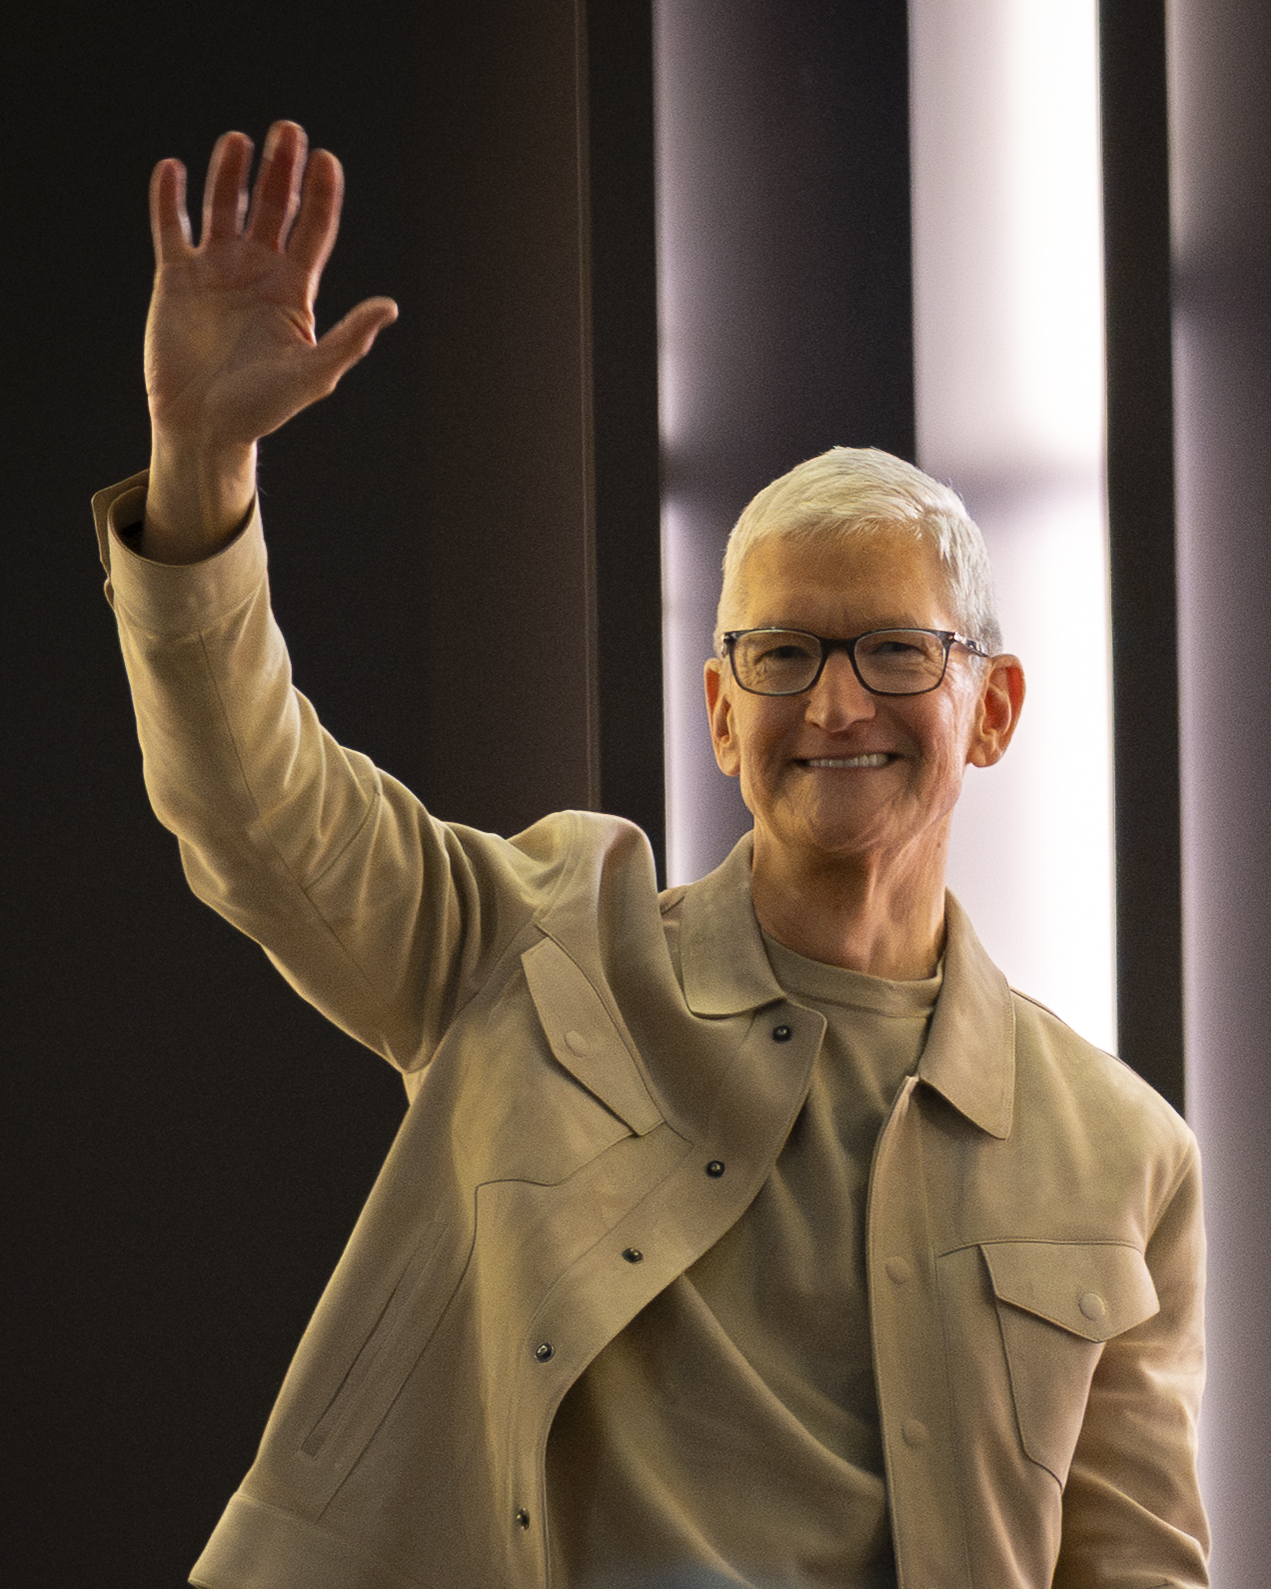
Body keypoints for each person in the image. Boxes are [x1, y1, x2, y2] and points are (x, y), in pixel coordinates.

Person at [95, 122, 1209, 1589]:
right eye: (783, 652)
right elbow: (258, 809)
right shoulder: (533, 943)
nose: (833, 702)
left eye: (891, 651)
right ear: (718, 710)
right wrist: (202, 467)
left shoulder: (1123, 1157)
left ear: (990, 707)